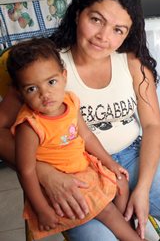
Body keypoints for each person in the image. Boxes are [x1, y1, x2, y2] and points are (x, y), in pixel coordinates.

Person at [0, 0, 160, 240]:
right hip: (74, 170)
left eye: (118, 30)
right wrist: (44, 173)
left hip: (132, 159)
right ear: (78, 13)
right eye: (96, 20)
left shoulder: (131, 61)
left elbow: (153, 125)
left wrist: (142, 189)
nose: (103, 37)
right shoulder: (47, 66)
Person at [7, 38, 143, 241]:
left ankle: (125, 229)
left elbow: (86, 135)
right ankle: (132, 238)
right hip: (63, 182)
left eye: (51, 82)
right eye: (32, 89)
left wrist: (110, 163)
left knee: (121, 186)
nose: (45, 94)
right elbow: (26, 170)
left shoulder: (70, 102)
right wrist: (42, 209)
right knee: (106, 211)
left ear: (64, 76)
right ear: (20, 92)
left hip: (84, 168)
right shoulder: (30, 126)